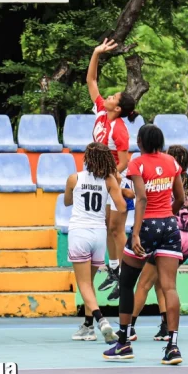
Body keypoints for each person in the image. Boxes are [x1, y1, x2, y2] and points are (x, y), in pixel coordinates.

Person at [103, 124, 185, 365]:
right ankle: (173, 347)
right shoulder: (172, 162)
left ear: (140, 142)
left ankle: (124, 343)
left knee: (127, 282)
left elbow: (141, 198)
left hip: (147, 226)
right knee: (169, 287)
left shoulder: (137, 163)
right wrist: (167, 217)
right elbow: (179, 198)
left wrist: (136, 233)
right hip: (170, 227)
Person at [118, 145, 188, 343]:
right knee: (163, 282)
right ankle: (165, 325)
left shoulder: (167, 181)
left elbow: (149, 200)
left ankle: (129, 327)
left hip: (167, 233)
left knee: (144, 283)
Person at [86, 38, 139, 301]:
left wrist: (113, 176)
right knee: (108, 228)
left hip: (116, 181)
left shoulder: (119, 128)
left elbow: (125, 161)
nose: (107, 96)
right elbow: (91, 82)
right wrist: (96, 53)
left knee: (116, 230)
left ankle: (124, 272)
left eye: (113, 97)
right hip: (104, 180)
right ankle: (115, 269)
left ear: (117, 108)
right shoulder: (99, 112)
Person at [66, 143, 125, 343]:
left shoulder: (74, 178)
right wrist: (120, 187)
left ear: (87, 158)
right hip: (99, 234)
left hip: (80, 232)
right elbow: (121, 206)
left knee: (83, 283)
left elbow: (67, 201)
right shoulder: (110, 180)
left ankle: (101, 321)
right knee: (89, 283)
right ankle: (88, 326)